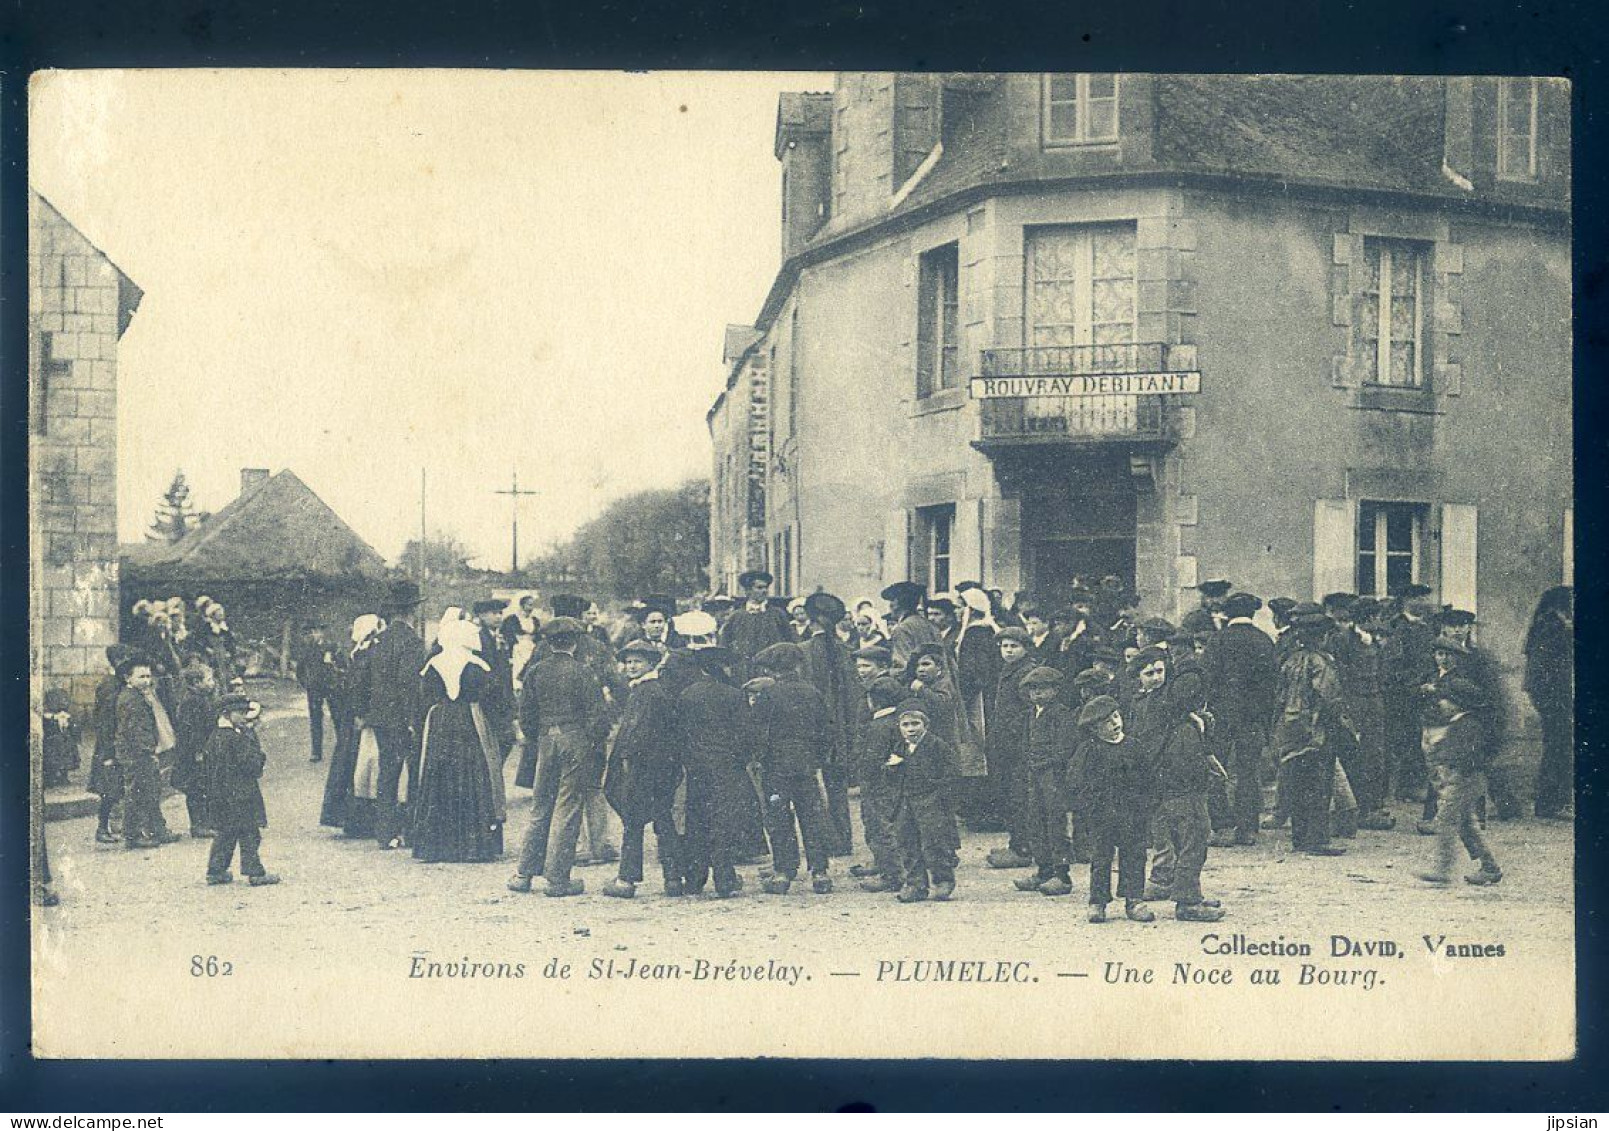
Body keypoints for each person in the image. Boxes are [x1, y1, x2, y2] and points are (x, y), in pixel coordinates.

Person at [509, 617, 611, 898]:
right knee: (567, 807)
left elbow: (525, 714)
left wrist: (538, 736)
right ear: (575, 643)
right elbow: (598, 716)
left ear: (550, 643)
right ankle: (557, 878)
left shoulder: (536, 672)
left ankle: (523, 874)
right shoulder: (582, 672)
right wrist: (592, 740)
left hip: (545, 739)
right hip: (574, 739)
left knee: (540, 807)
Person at [1136, 653, 1227, 923]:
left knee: (1187, 840)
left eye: (1160, 671)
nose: (1156, 677)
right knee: (1194, 839)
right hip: (1179, 786)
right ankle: (1187, 902)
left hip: (1179, 785)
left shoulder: (1163, 706)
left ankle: (1189, 892)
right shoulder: (1161, 711)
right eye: (1149, 673)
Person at [409, 617, 503, 863]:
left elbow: (423, 697)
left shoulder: (432, 664)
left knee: (439, 775)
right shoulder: (476, 665)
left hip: (440, 723)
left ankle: (438, 845)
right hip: (470, 721)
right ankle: (473, 844)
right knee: (472, 774)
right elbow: (492, 696)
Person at [601, 639, 686, 898]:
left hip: (643, 768)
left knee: (633, 822)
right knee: (663, 821)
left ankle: (626, 880)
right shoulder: (653, 689)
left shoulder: (646, 692)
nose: (631, 666)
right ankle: (673, 879)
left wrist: (625, 760)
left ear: (650, 663)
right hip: (662, 767)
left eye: (637, 661)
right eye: (627, 662)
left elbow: (637, 734)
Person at [750, 642, 836, 895]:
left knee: (779, 818)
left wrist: (761, 758)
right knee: (812, 817)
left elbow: (757, 730)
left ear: (773, 670)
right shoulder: (812, 692)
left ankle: (784, 872)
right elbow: (827, 730)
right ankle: (820, 872)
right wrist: (817, 757)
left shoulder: (769, 695)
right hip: (806, 765)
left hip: (776, 767)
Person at [1272, 604, 1355, 857]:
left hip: (1291, 728)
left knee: (1297, 783)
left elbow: (1280, 695)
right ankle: (1317, 839)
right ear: (1322, 635)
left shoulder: (1290, 660)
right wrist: (1345, 727)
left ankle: (1299, 838)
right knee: (1319, 786)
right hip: (1316, 731)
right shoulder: (1322, 662)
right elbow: (1330, 698)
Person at [1067, 695, 1157, 923]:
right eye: (1107, 722)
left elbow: (1148, 780)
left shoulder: (1135, 747)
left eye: (1116, 717)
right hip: (1102, 816)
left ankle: (1134, 899)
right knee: (1101, 858)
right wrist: (1090, 810)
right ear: (1095, 730)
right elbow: (1077, 784)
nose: (1115, 724)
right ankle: (1098, 901)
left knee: (1135, 856)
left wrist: (1145, 808)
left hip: (1132, 814)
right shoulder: (1088, 751)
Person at [1201, 592, 1278, 846]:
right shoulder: (1264, 642)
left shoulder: (1218, 641)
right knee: (1248, 772)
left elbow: (1207, 681)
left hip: (1221, 717)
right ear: (1253, 613)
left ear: (1228, 614)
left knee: (1216, 768)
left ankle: (1222, 826)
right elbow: (1271, 686)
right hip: (1253, 718)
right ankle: (1248, 829)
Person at [676, 647, 752, 897]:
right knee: (723, 822)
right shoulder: (733, 695)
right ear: (721, 667)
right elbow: (744, 735)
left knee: (697, 821)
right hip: (726, 767)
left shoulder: (687, 695)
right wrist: (739, 762)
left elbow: (682, 734)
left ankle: (695, 879)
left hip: (697, 767)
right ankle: (724, 879)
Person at [1416, 676, 1503, 886]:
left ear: (1457, 702)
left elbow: (1469, 757)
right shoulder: (1460, 723)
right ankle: (1490, 867)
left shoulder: (1468, 724)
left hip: (1465, 779)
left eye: (1444, 700)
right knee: (1466, 824)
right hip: (1465, 779)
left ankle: (1443, 869)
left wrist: (1451, 764)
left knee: (1445, 821)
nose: (1440, 704)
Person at [368, 580, 430, 850]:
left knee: (387, 772)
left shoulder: (378, 640)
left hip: (381, 716)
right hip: (404, 718)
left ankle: (384, 832)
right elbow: (410, 684)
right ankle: (412, 831)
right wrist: (412, 720)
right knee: (414, 772)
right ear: (411, 611)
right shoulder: (412, 642)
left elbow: (366, 679)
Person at [800, 592, 858, 856]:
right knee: (837, 788)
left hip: (812, 728)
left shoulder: (803, 653)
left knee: (810, 788)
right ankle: (842, 841)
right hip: (841, 728)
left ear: (810, 619)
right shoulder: (845, 651)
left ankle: (823, 840)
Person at [885, 703, 962, 903]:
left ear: (925, 725)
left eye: (915, 724)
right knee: (906, 840)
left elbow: (951, 773)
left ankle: (943, 879)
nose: (910, 729)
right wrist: (893, 768)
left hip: (930, 800)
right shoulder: (900, 747)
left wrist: (939, 793)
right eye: (905, 725)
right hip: (906, 800)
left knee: (934, 840)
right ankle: (915, 884)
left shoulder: (937, 746)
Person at [1013, 666, 1077, 897]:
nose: (1037, 694)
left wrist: (1045, 763)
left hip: (1053, 775)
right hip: (1034, 774)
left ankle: (1062, 875)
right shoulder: (1031, 715)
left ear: (1055, 690)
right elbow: (1025, 744)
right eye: (1033, 689)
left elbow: (1065, 748)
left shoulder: (1061, 715)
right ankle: (1044, 870)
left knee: (1055, 822)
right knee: (1035, 821)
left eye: (1043, 689)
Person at [204, 693, 279, 887]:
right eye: (240, 712)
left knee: (226, 833)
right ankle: (255, 872)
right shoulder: (237, 739)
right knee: (249, 833)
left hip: (221, 794)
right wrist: (256, 748)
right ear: (227, 714)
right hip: (241, 794)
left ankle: (216, 870)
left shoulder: (215, 736)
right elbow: (251, 765)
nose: (245, 717)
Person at [984, 627, 1037, 870]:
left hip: (1018, 745)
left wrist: (1013, 733)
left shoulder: (1025, 673)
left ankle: (1022, 848)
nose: (1008, 651)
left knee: (1019, 796)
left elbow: (1028, 711)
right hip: (1006, 743)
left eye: (1014, 646)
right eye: (1004, 646)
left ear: (1025, 649)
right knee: (1012, 794)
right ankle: (1018, 844)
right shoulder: (1009, 670)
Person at [322, 614, 381, 834]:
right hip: (354, 717)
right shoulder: (361, 652)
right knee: (355, 764)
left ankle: (359, 820)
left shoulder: (366, 653)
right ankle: (353, 819)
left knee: (359, 765)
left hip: (357, 716)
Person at [116, 658, 182, 849]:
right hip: (136, 754)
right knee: (137, 792)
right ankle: (132, 835)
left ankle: (156, 829)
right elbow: (134, 731)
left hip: (142, 752)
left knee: (150, 791)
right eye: (141, 677)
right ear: (128, 678)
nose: (146, 681)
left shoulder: (138, 696)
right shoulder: (130, 700)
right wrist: (147, 752)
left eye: (148, 676)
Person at [855, 676, 908, 892]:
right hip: (897, 785)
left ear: (873, 701)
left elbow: (870, 761)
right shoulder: (900, 722)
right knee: (896, 827)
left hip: (877, 786)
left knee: (878, 829)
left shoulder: (877, 727)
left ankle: (891, 875)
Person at [1525, 586, 1574, 820]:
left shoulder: (1544, 626)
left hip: (1552, 696)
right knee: (1560, 748)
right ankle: (1553, 803)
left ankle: (1549, 802)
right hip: (1556, 697)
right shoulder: (1554, 628)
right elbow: (1543, 668)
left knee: (1557, 747)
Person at [171, 660, 219, 838]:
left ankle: (205, 822)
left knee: (203, 786)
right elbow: (193, 730)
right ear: (197, 683)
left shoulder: (199, 699)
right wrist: (199, 751)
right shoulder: (192, 702)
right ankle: (198, 825)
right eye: (209, 679)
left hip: (199, 750)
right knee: (197, 788)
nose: (212, 683)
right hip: (193, 753)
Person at [89, 645, 132, 844]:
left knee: (116, 787)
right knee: (109, 789)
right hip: (109, 745)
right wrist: (108, 753)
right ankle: (102, 828)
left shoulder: (119, 683)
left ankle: (116, 825)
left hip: (117, 743)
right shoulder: (109, 686)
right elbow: (105, 721)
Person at [720, 571, 794, 671]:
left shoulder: (777, 614)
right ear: (748, 591)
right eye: (759, 588)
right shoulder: (736, 616)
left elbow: (791, 640)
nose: (764, 591)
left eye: (766, 587)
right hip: (743, 670)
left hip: (772, 670)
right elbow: (724, 644)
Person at [472, 598, 517, 763]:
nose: (499, 617)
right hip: (488, 699)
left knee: (504, 741)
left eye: (500, 613)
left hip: (501, 699)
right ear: (482, 616)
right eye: (494, 613)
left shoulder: (500, 638)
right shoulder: (478, 639)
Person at [883, 581, 941, 671]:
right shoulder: (931, 625)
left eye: (891, 601)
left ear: (896, 604)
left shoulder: (902, 629)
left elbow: (903, 665)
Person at [41, 688, 80, 789]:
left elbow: (74, 728)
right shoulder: (47, 716)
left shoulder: (67, 715)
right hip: (53, 742)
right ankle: (52, 776)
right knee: (53, 753)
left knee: (66, 750)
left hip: (65, 741)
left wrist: (67, 723)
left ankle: (63, 774)